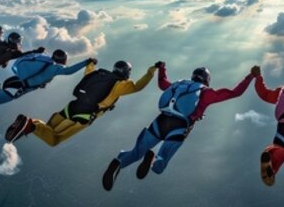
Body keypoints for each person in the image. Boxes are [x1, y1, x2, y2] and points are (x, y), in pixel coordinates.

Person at [101, 63, 256, 191]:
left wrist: (162, 68)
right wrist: (250, 76)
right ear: (207, 80)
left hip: (160, 120)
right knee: (159, 166)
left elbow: (162, 82)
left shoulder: (178, 85)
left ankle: (118, 162)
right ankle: (153, 158)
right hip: (179, 127)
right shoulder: (206, 93)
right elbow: (235, 92)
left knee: (136, 152)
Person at [5, 60, 159, 145]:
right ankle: (30, 124)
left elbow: (88, 69)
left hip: (71, 107)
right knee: (54, 139)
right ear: (126, 73)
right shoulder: (120, 85)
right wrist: (151, 71)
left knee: (48, 128)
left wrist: (91, 62)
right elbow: (138, 86)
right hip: (83, 116)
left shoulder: (98, 74)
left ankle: (31, 123)